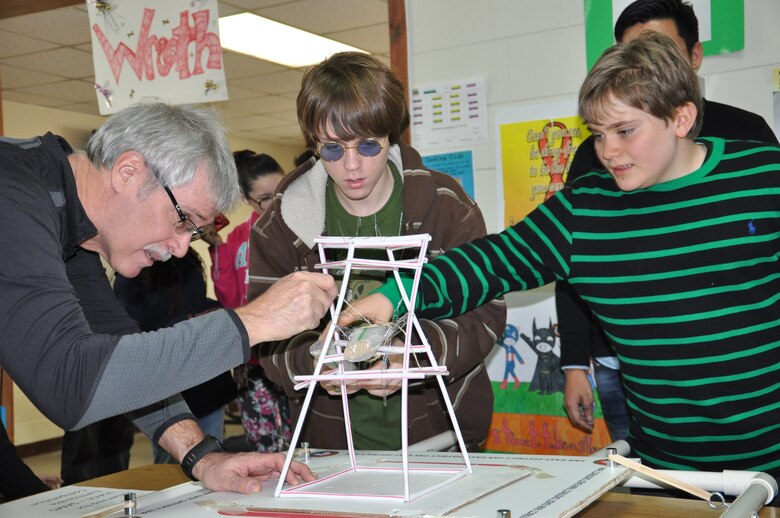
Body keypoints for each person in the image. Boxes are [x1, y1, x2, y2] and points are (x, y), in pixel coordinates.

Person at [344, 32, 780, 478]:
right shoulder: (583, 209)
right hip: (672, 472)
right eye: (598, 134)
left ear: (681, 117)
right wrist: (395, 295)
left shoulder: (764, 177)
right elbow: (491, 261)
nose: (608, 152)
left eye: (626, 130)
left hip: (772, 458)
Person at [0, 101, 336, 493]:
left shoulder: (71, 220)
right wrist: (253, 322)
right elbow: (73, 384)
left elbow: (118, 349)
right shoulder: (14, 194)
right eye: (182, 220)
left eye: (192, 232)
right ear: (128, 171)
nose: (180, 249)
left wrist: (202, 457)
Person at [248, 52, 506, 451]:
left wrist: (414, 359)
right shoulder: (281, 225)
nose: (352, 166)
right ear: (314, 144)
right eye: (332, 150)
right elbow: (265, 339)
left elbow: (485, 314)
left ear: (391, 136)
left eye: (368, 146)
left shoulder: (446, 205)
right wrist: (315, 362)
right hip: (329, 442)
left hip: (441, 434)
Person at [556, 0, 780, 442]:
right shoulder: (594, 165)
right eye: (602, 134)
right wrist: (575, 362)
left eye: (661, 51)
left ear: (693, 58)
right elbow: (565, 257)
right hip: (626, 368)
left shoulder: (750, 144)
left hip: (747, 389)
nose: (611, 151)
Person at [202, 151, 290, 453]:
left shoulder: (299, 229)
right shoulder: (239, 238)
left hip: (296, 353)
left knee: (307, 443)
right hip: (253, 362)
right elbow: (230, 300)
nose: (276, 203)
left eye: (281, 191)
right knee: (267, 447)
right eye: (265, 197)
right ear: (246, 199)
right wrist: (218, 250)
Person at [114, 247, 237, 463]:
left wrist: (216, 312)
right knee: (173, 469)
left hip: (207, 381)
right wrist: (188, 323)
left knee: (214, 461)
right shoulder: (132, 268)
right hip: (168, 388)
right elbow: (133, 335)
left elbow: (198, 302)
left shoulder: (186, 258)